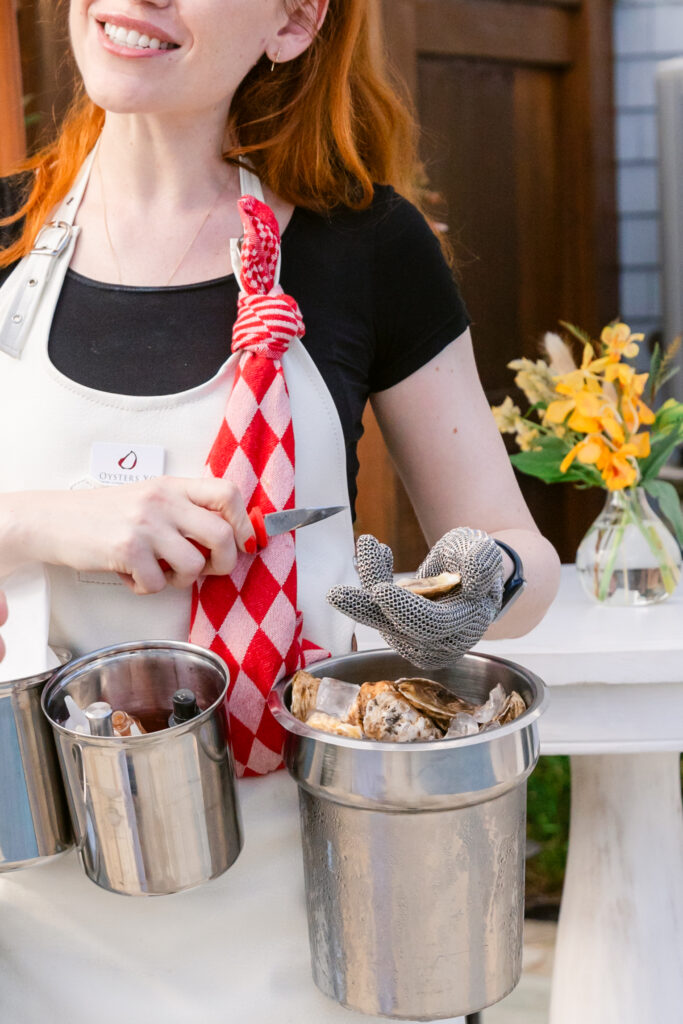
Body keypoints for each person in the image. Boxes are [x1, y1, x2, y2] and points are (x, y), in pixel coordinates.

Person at [0, 1, 561, 1021]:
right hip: (33, 905)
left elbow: (519, 550)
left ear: (294, 22)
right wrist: (43, 524)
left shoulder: (365, 246)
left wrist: (471, 587)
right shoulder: (5, 238)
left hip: (320, 907)